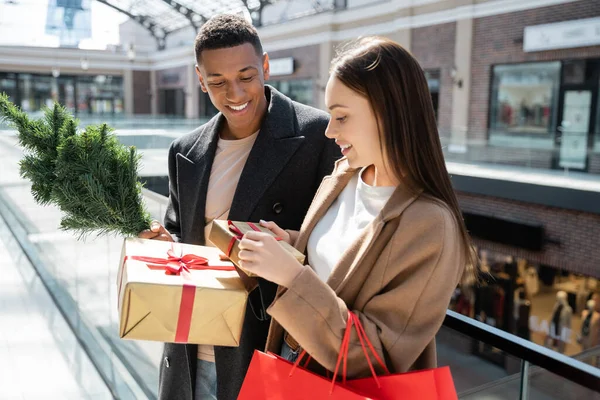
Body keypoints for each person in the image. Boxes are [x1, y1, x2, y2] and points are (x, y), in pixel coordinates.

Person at [237, 36, 477, 378]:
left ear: (387, 114)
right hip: (290, 363)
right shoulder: (345, 176)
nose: (330, 131)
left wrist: (291, 275)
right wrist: (291, 245)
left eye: (342, 117)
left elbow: (375, 355)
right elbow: (342, 266)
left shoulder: (430, 224)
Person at [138, 14, 339, 400]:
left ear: (265, 66)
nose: (234, 93)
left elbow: (335, 245)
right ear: (200, 80)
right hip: (191, 344)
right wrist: (162, 243)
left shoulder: (318, 134)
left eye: (246, 77)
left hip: (267, 347)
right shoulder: (185, 150)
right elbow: (181, 234)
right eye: (217, 82)